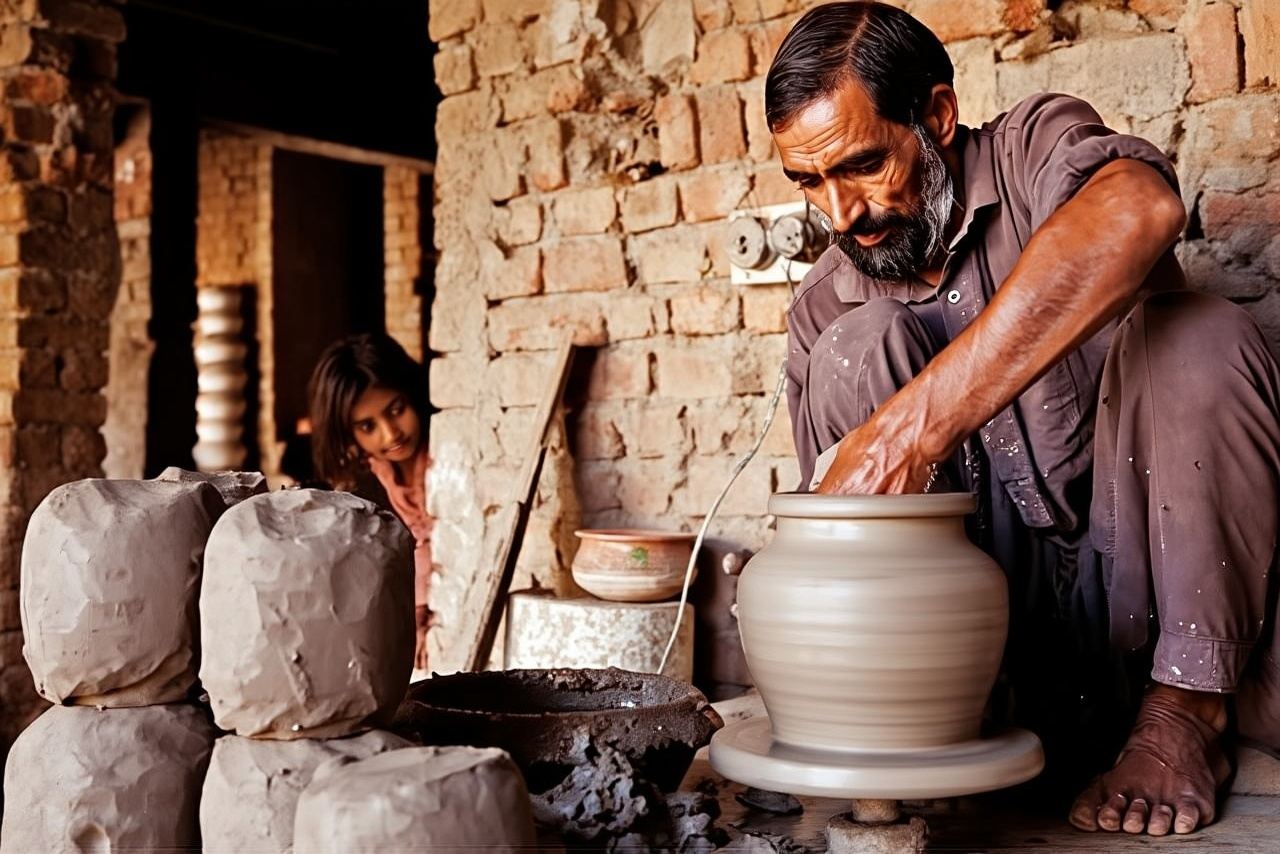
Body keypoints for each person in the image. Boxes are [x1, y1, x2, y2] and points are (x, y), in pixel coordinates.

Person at [770, 1, 1280, 838]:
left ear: (935, 116)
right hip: (989, 674)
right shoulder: (825, 301)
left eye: (862, 165)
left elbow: (1139, 211)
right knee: (855, 346)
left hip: (1174, 614)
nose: (841, 213)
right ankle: (924, 731)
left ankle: (1186, 719)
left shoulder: (1030, 148)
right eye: (807, 181)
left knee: (1197, 334)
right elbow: (830, 562)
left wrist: (913, 428)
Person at [308, 332, 434, 672]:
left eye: (396, 410)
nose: (391, 434)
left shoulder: (450, 457)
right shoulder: (365, 488)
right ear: (347, 433)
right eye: (368, 426)